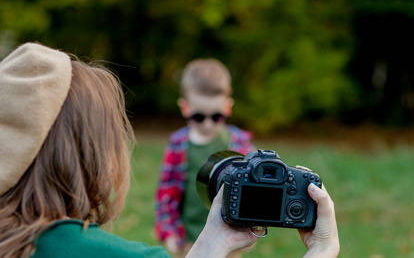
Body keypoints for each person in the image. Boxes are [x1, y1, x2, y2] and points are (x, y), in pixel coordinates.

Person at [0, 43, 339, 258]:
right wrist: (322, 250)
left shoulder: (238, 142)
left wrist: (213, 245)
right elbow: (166, 195)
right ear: (90, 159)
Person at [154, 59, 255, 258]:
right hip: (189, 240)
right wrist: (169, 232)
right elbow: (166, 193)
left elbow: (251, 192)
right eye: (199, 117)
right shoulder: (178, 145)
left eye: (216, 116)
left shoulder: (239, 145)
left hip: (229, 239)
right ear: (185, 108)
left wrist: (249, 228)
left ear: (228, 108)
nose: (208, 124)